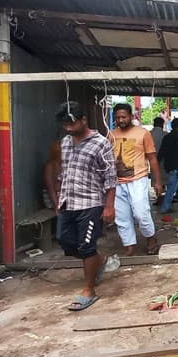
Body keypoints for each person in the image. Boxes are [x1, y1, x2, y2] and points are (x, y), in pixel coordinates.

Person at [55, 101, 117, 312]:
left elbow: (110, 177)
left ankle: (89, 290)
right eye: (65, 124)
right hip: (68, 202)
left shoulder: (101, 143)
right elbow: (65, 171)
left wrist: (109, 206)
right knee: (65, 241)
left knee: (86, 246)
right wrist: (59, 199)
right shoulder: (65, 142)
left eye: (72, 124)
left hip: (91, 202)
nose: (69, 128)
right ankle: (99, 260)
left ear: (83, 120)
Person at [109, 103, 162, 257]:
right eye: (118, 117)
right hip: (117, 182)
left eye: (123, 116)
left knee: (141, 212)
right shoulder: (111, 135)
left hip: (138, 179)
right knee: (122, 216)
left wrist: (157, 182)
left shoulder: (143, 133)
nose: (120, 120)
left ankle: (151, 239)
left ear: (131, 116)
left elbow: (152, 158)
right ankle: (129, 245)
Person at [158, 117, 178, 213]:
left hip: (169, 164)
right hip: (177, 165)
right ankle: (165, 208)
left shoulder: (167, 137)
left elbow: (162, 151)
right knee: (172, 188)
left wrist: (157, 162)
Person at [150, 117, 168, 203]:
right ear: (162, 124)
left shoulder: (149, 134)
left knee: (155, 178)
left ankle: (158, 196)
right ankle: (163, 196)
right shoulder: (165, 134)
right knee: (164, 178)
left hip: (152, 159)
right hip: (164, 159)